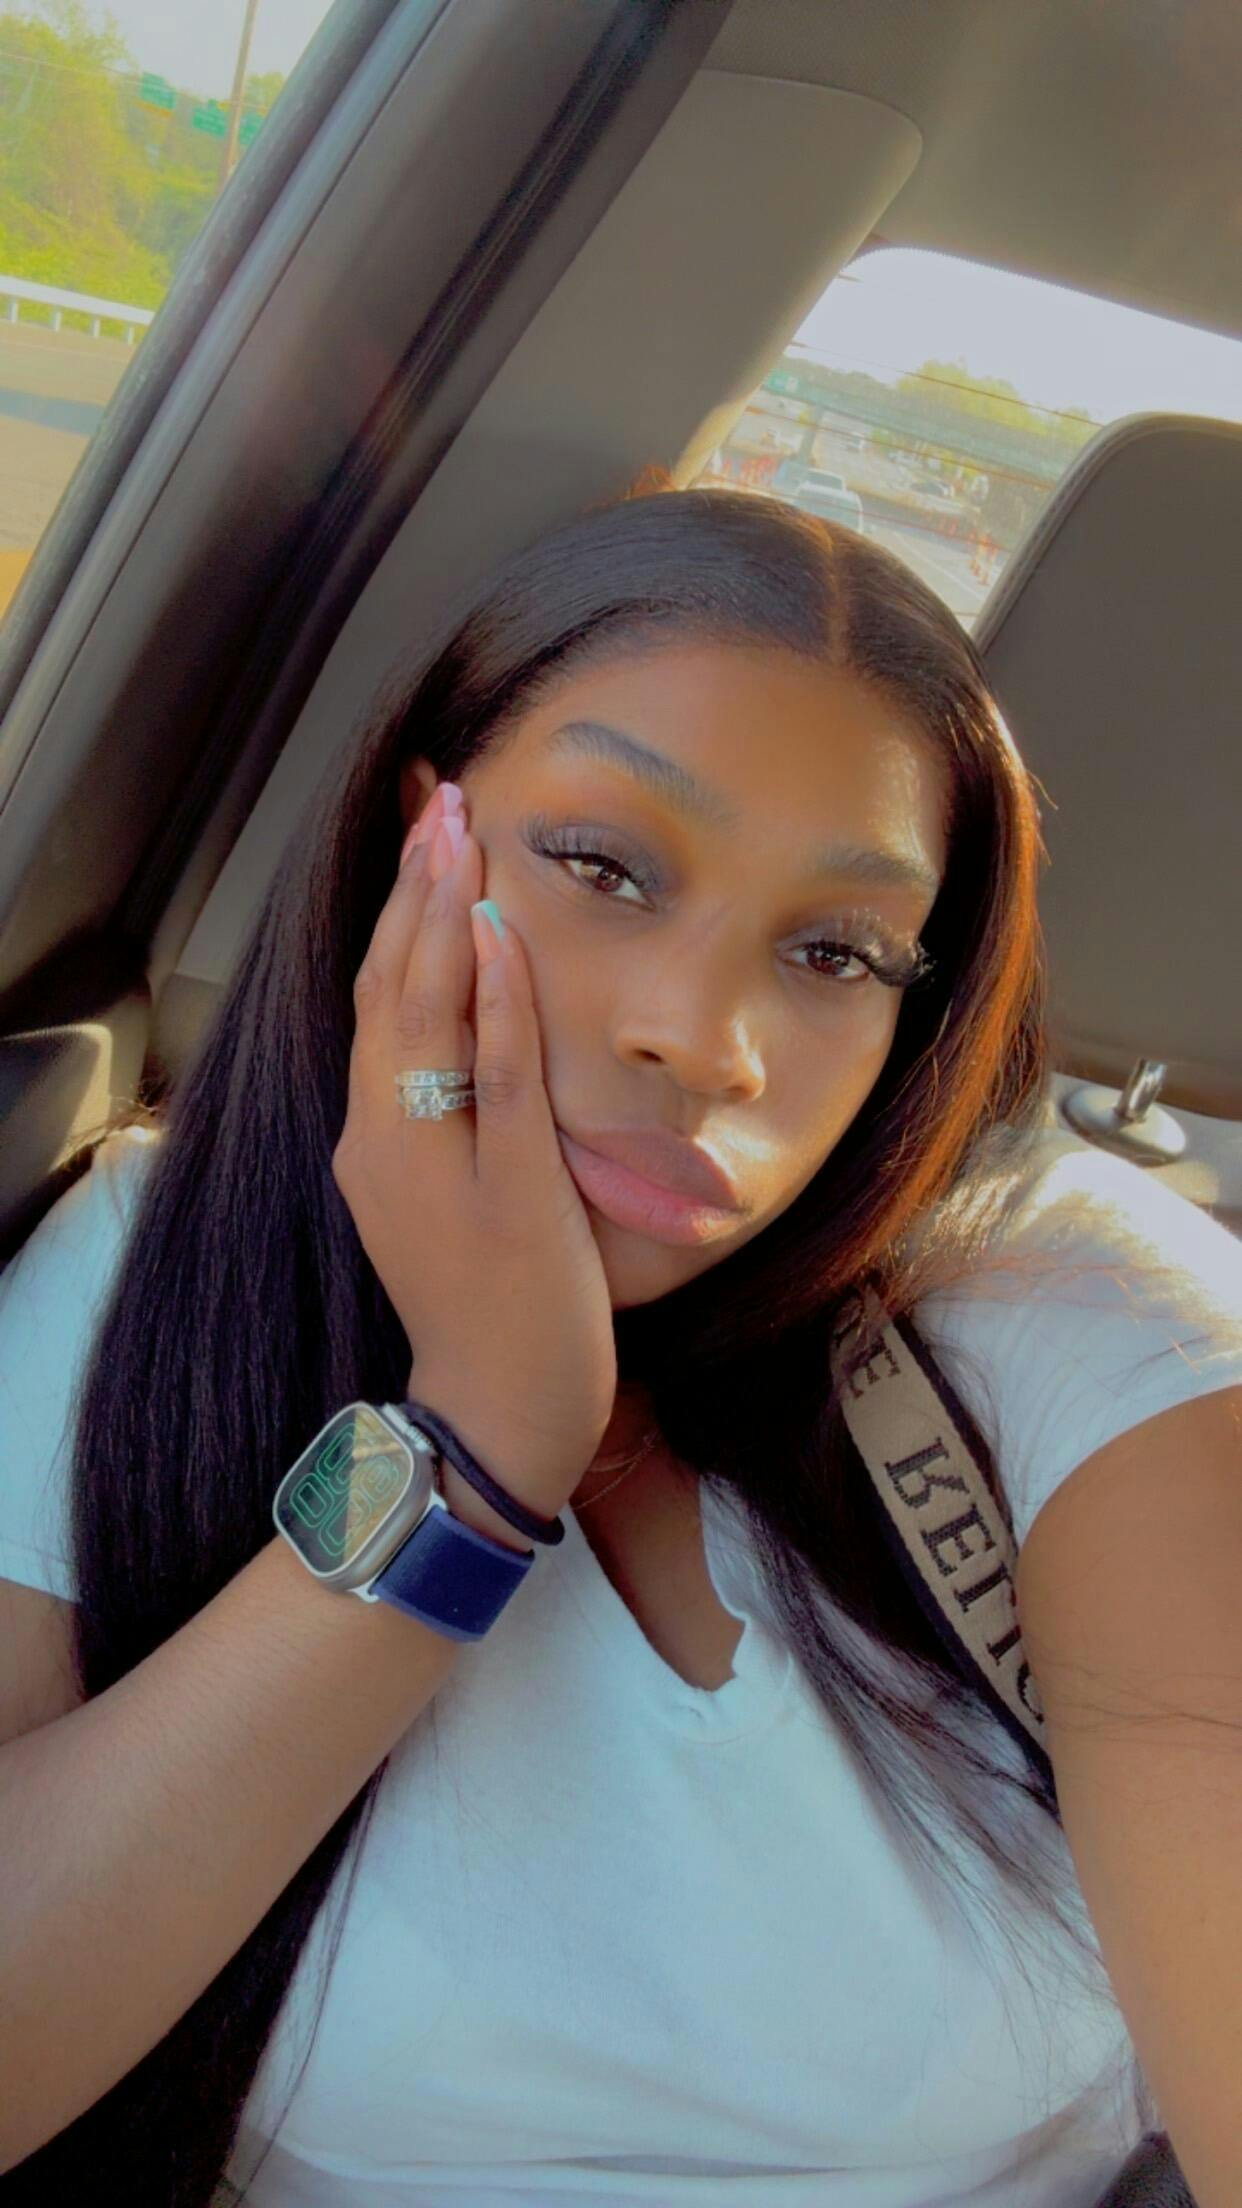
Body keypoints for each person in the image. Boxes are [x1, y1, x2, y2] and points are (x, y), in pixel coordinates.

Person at [1, 482, 1240, 2208]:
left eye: (836, 951)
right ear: (422, 835)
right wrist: (473, 1454)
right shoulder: (154, 1264)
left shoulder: (1065, 1310)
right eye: (601, 867)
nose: (708, 1041)